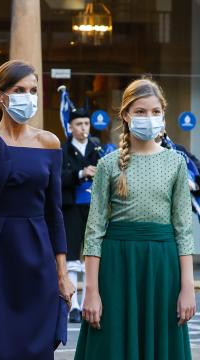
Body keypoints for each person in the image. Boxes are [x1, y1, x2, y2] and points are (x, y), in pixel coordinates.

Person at [0, 60, 76, 359]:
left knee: (38, 346)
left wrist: (62, 274)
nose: (29, 97)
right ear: (0, 95)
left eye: (33, 90)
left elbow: (55, 214)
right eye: (20, 90)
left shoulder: (49, 142)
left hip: (39, 255)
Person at [75, 78, 195, 359]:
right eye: (140, 111)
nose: (148, 118)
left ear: (163, 116)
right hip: (116, 268)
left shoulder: (176, 162)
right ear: (126, 115)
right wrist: (91, 292)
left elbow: (183, 230)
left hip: (162, 270)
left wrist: (188, 288)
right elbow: (93, 232)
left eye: (155, 112)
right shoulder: (107, 164)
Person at [60, 107, 101, 323]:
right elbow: (57, 178)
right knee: (72, 255)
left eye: (86, 124)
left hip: (93, 208)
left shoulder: (98, 149)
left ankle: (88, 301)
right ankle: (73, 305)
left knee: (92, 254)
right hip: (71, 208)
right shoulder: (63, 150)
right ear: (70, 127)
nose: (83, 128)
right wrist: (80, 173)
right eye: (79, 124)